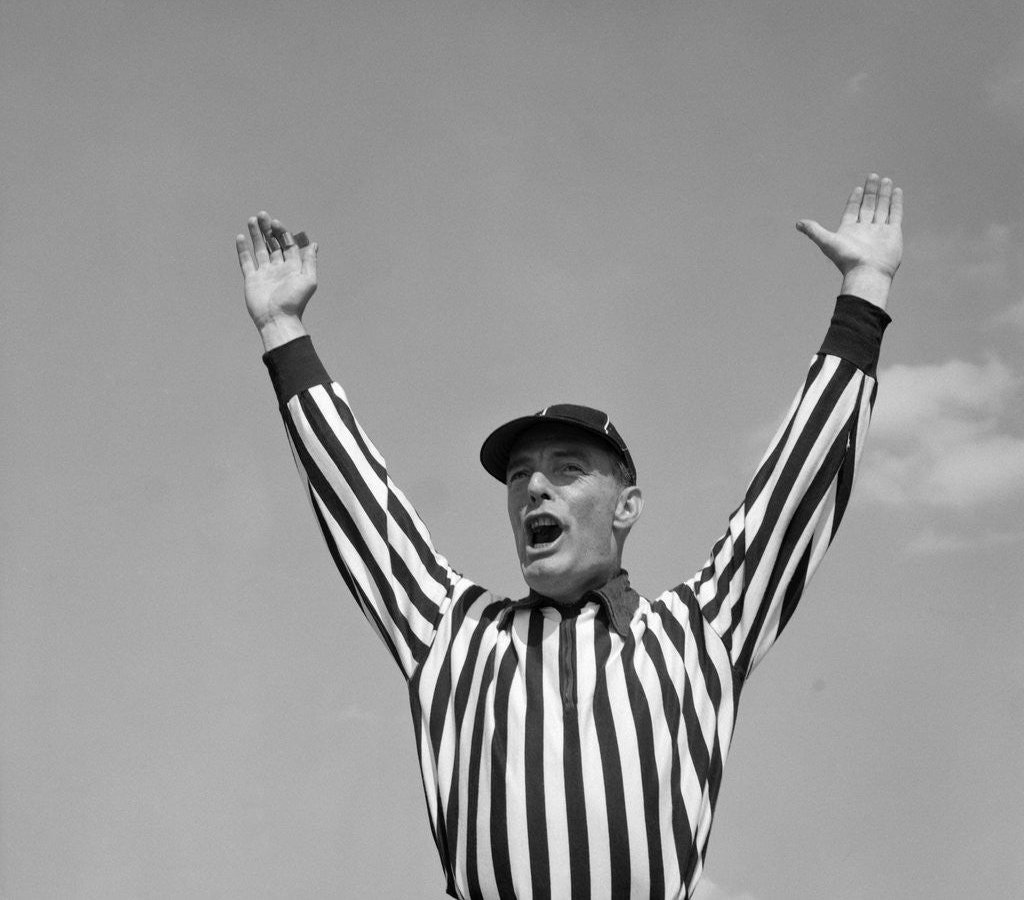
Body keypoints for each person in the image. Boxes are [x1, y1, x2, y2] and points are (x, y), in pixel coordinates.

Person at [234, 174, 903, 900]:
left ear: (627, 506)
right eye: (520, 474)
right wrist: (283, 332)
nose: (534, 487)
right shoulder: (454, 634)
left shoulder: (697, 631)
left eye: (567, 468)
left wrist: (863, 294)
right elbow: (360, 502)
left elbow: (795, 493)